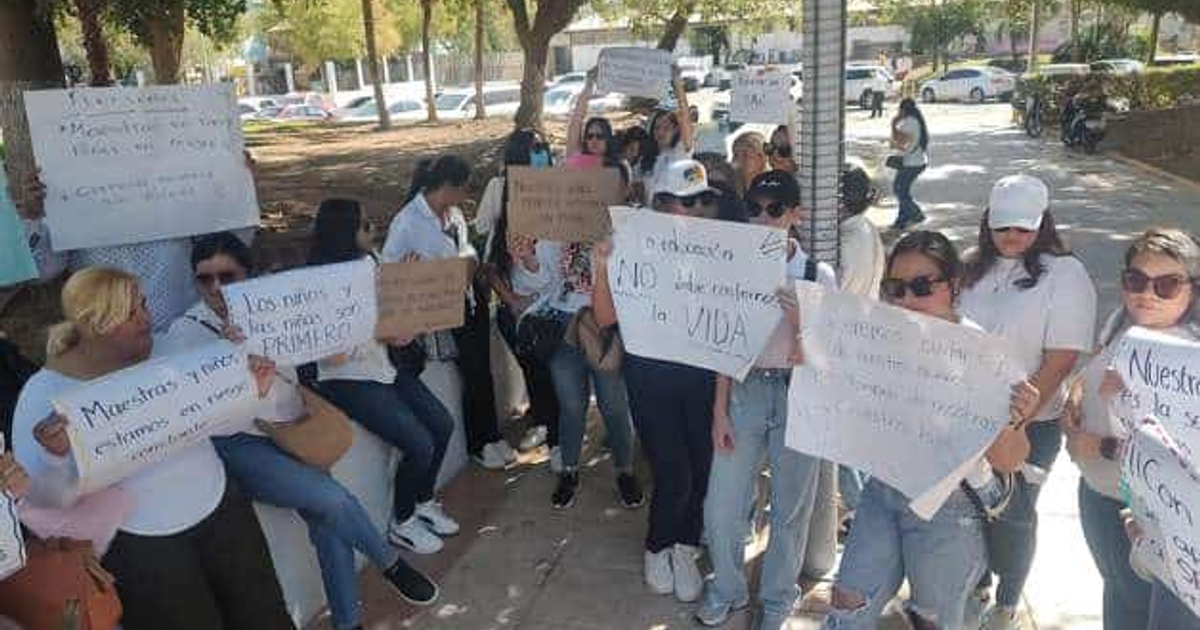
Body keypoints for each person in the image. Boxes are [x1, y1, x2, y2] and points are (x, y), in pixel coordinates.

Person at [163, 232, 440, 629]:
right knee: (332, 499)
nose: (216, 287)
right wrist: (226, 356)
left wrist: (392, 318)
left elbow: (333, 349)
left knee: (329, 526)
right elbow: (197, 410)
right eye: (204, 278)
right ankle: (391, 563)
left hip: (294, 427)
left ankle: (348, 623)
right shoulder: (184, 333)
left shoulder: (273, 307)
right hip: (239, 441)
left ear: (247, 274)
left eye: (226, 276)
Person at [12, 267, 296, 630]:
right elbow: (45, 502)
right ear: (93, 326)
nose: (144, 318)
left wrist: (247, 384)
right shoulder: (44, 396)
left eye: (143, 304)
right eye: (128, 314)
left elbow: (224, 422)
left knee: (266, 617)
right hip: (141, 544)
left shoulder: (170, 349)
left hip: (220, 507)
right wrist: (55, 457)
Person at [823, 230, 1038, 630]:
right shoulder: (878, 338)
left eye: (921, 286)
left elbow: (1008, 460)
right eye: (895, 288)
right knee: (848, 601)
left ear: (954, 285)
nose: (907, 299)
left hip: (951, 506)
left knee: (932, 620)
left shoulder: (984, 354)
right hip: (883, 489)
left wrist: (1015, 418)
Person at [697, 171, 837, 630]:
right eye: (754, 208)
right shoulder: (733, 265)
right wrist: (719, 410)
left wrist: (800, 323)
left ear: (796, 214)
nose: (763, 218)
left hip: (800, 394)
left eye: (774, 210)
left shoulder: (818, 274)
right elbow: (722, 342)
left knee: (791, 507)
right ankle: (728, 588)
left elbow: (828, 356)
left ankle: (778, 597)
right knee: (722, 505)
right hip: (746, 390)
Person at [959, 174, 1098, 630]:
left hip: (1030, 423)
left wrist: (1017, 420)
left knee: (1015, 515)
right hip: (969, 414)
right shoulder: (971, 266)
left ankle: (1007, 601)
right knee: (972, 510)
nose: (1012, 236)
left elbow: (1061, 360)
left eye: (1023, 227)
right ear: (988, 223)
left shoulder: (1065, 275)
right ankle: (977, 584)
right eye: (1003, 226)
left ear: (1043, 223)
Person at [590, 159, 728, 603]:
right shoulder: (629, 244)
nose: (695, 209)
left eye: (702, 200)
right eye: (685, 201)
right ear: (662, 202)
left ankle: (685, 547)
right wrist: (602, 267)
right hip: (651, 378)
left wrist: (721, 407)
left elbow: (730, 325)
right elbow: (605, 318)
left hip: (702, 378)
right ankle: (657, 546)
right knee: (674, 473)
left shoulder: (720, 248)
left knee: (702, 468)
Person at [1064, 227, 1200, 630]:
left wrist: (1101, 447)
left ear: (1192, 289)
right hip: (1098, 494)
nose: (1147, 294)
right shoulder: (1121, 321)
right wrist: (1077, 390)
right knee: (1117, 595)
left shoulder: (1190, 357)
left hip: (1150, 516)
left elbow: (1186, 455)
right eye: (1136, 280)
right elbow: (1095, 364)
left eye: (1166, 285)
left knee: (1139, 610)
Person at [307, 200, 460, 555]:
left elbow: (386, 309)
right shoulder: (319, 284)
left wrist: (404, 284)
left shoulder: (369, 261)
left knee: (442, 423)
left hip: (385, 367)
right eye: (365, 225)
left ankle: (422, 501)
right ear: (345, 233)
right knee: (418, 443)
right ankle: (402, 522)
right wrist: (380, 333)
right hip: (346, 379)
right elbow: (331, 353)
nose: (372, 230)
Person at [382, 156, 517, 470]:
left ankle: (492, 435)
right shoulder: (408, 221)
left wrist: (468, 259)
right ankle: (478, 444)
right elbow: (389, 270)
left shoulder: (453, 214)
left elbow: (465, 246)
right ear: (448, 186)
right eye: (464, 188)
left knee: (483, 371)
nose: (466, 195)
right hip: (442, 306)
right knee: (472, 374)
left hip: (471, 299)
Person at [481, 129, 561, 463]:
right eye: (533, 149)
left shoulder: (560, 197)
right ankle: (548, 431)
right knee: (535, 373)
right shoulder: (501, 203)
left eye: (543, 147)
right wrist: (513, 301)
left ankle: (558, 439)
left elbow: (562, 266)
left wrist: (534, 268)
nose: (540, 153)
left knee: (557, 378)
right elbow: (490, 263)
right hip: (516, 312)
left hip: (554, 307)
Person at [642, 67, 696, 203]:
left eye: (666, 128)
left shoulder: (680, 153)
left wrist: (676, 81)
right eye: (657, 128)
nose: (660, 132)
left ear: (676, 130)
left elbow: (685, 116)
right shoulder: (647, 159)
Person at [889, 98, 929, 230]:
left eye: (899, 109)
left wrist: (893, 124)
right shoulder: (915, 121)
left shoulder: (909, 122)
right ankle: (901, 221)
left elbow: (897, 141)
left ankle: (916, 214)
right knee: (903, 191)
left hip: (912, 163)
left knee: (899, 190)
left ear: (904, 110)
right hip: (916, 161)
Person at [730, 132, 768, 197]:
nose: (738, 160)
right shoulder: (731, 190)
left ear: (761, 157)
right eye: (736, 155)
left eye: (745, 154)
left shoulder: (772, 188)